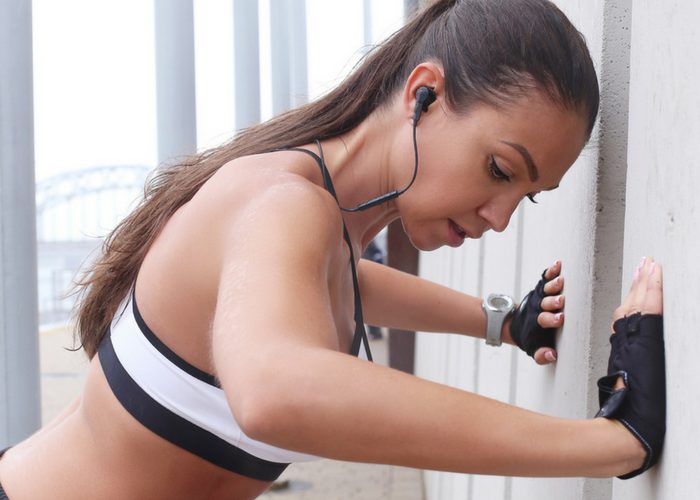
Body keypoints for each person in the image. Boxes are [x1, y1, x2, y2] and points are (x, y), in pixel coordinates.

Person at [0, 0, 666, 498]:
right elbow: (274, 390)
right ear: (423, 96)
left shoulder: (325, 228)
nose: (499, 218)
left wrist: (499, 322)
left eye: (528, 196)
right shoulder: (286, 203)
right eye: (498, 170)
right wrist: (606, 444)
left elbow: (349, 287)